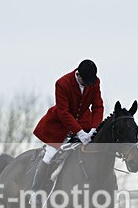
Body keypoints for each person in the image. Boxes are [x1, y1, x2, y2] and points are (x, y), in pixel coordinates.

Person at [30, 59, 104, 193]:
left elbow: (98, 106)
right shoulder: (62, 84)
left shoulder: (95, 82)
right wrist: (80, 133)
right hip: (60, 126)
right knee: (50, 155)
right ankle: (35, 192)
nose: (87, 85)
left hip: (84, 123)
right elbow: (63, 113)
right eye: (85, 82)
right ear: (78, 75)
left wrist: (94, 129)